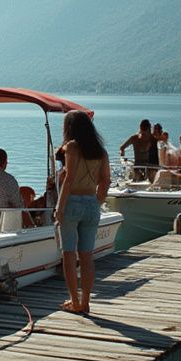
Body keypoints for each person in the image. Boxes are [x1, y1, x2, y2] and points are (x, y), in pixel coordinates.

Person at [55, 111, 110, 313]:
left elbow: (69, 179)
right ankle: (86, 302)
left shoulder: (72, 147)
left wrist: (59, 208)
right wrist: (98, 201)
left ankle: (74, 301)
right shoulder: (100, 151)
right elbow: (106, 181)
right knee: (86, 256)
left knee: (69, 254)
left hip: (72, 203)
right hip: (91, 203)